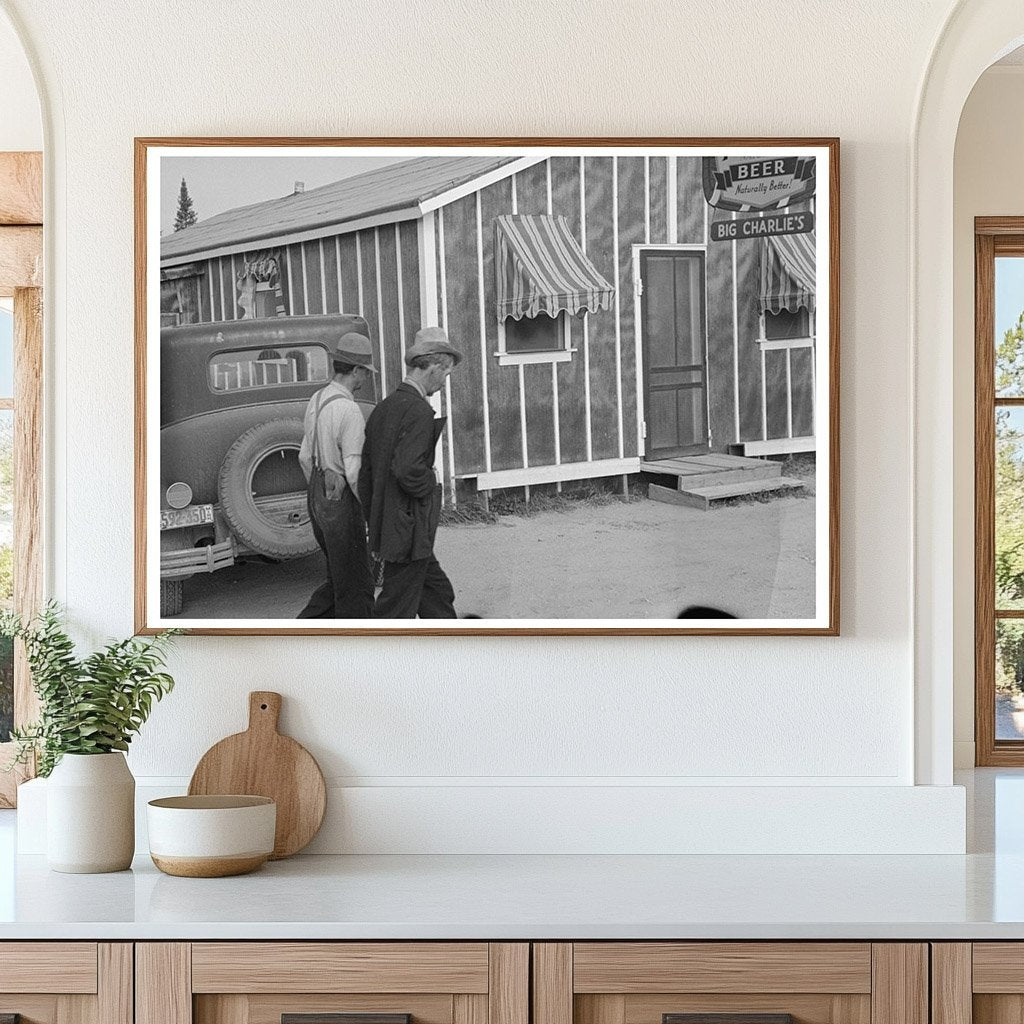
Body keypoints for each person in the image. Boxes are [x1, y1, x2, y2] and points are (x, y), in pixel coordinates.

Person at [359, 326, 461, 618]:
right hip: (409, 529)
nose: (443, 382)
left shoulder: (384, 409)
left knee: (437, 594)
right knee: (396, 607)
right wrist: (431, 482)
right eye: (445, 373)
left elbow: (365, 475)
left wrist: (375, 518)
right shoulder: (417, 411)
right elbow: (408, 470)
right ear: (433, 366)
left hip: (393, 525)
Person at [296, 332, 377, 619]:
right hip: (342, 502)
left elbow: (305, 457)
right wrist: (370, 511)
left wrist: (322, 492)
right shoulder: (349, 409)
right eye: (365, 373)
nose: (365, 379)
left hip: (318, 498)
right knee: (357, 584)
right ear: (355, 370)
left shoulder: (317, 400)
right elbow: (354, 472)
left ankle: (302, 629)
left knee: (338, 578)